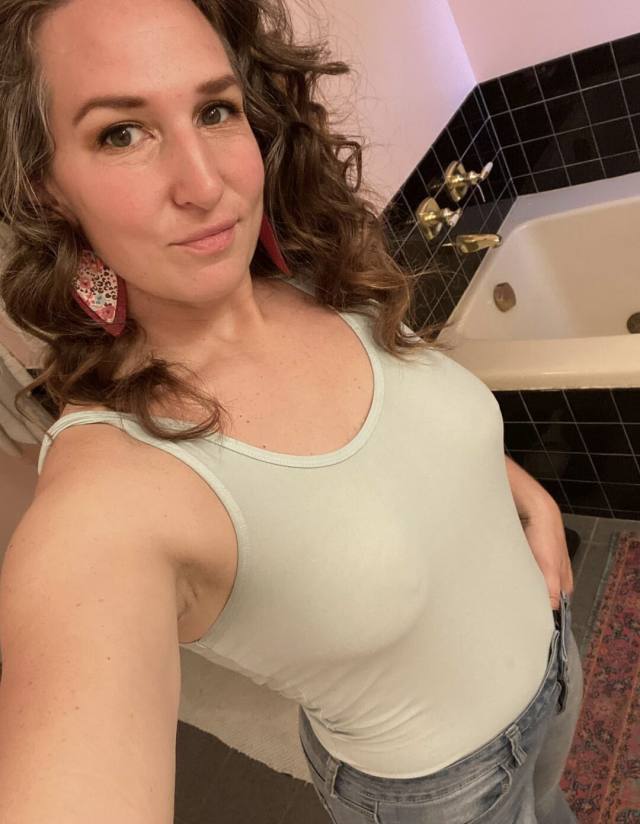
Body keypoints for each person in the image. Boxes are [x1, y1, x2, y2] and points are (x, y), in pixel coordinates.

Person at [0, 0, 584, 822]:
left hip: (554, 660)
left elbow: (410, 445)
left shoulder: (318, 275)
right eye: (121, 133)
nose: (206, 185)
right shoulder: (109, 491)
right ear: (48, 189)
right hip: (446, 792)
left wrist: (524, 493)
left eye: (215, 110)